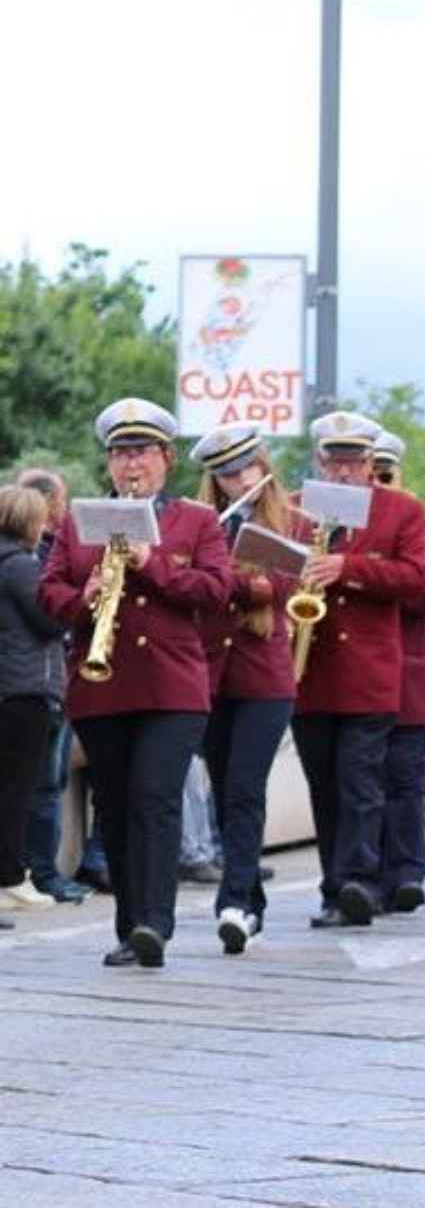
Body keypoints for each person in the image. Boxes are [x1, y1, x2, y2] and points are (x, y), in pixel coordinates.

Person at [37, 398, 234, 968]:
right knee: (116, 806)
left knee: (155, 798)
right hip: (102, 683)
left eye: (141, 452)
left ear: (166, 459)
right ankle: (130, 926)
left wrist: (156, 563)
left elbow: (217, 591)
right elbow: (48, 594)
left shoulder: (195, 520)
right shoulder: (79, 520)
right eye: (121, 454)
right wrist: (84, 597)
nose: (130, 465)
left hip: (172, 684)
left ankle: (156, 923)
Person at [286, 412, 425, 929]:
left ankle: (360, 883)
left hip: (370, 671)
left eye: (354, 461)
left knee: (361, 784)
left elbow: (419, 578)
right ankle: (335, 887)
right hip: (310, 669)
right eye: (334, 461)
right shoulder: (297, 510)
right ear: (319, 462)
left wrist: (348, 569)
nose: (344, 472)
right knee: (324, 786)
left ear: (371, 464)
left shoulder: (401, 510)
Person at [190, 423, 302, 951]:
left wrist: (221, 578)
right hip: (211, 674)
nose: (237, 481)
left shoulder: (291, 522)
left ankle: (232, 901)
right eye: (226, 474)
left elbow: (281, 586)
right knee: (224, 787)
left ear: (262, 468)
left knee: (245, 787)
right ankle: (249, 904)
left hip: (265, 675)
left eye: (245, 469)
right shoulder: (200, 524)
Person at [370, 433, 425, 913]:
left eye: (387, 473)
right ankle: (366, 872)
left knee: (403, 779)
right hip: (355, 674)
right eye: (373, 473)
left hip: (407, 671)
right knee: (361, 780)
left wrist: (384, 566)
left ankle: (405, 873)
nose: (380, 483)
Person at [12, 470, 90, 905]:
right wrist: (83, 598)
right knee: (42, 784)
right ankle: (36, 873)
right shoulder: (27, 562)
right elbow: (50, 620)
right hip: (35, 685)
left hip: (30, 684)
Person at [0, 484, 65, 923]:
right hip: (24, 690)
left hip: (7, 688)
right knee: (16, 791)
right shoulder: (21, 565)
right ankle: (10, 879)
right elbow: (50, 622)